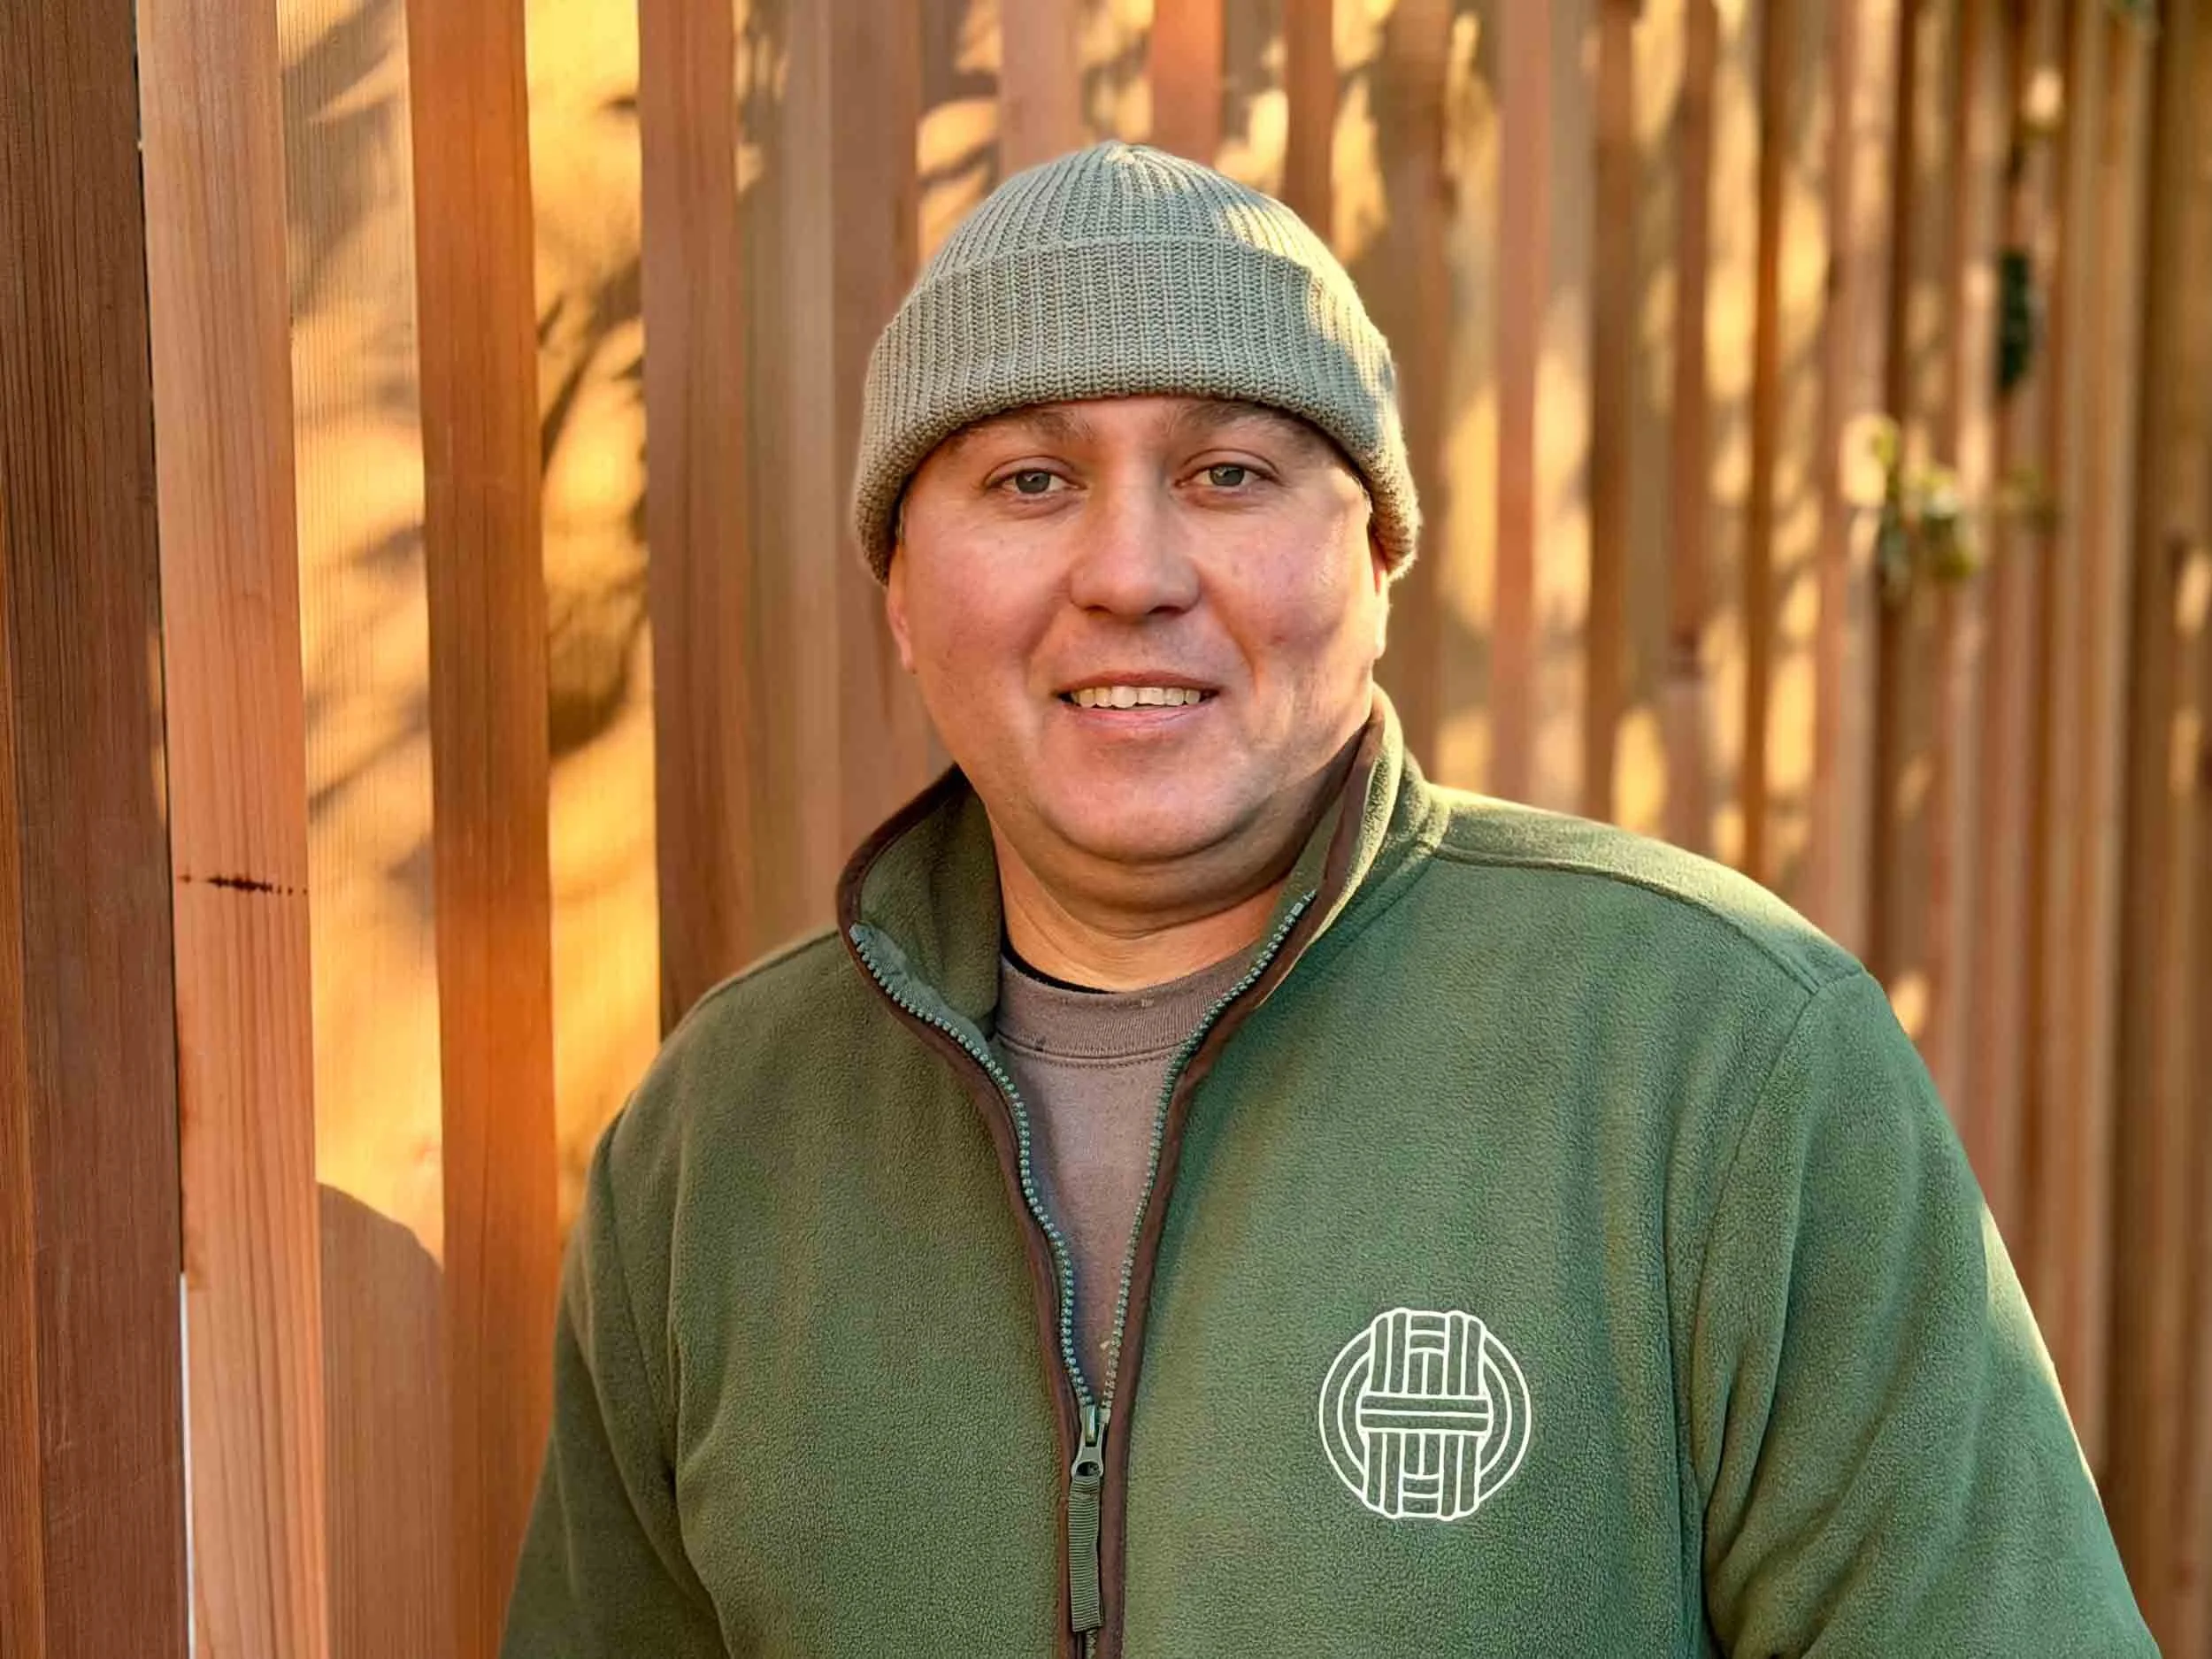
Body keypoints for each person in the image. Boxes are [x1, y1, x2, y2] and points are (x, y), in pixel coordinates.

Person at [499, 142, 2151, 1657]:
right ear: (903, 596)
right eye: (1028, 481)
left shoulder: (1722, 1062)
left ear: (1374, 567)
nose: (1132, 571)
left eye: (1229, 474)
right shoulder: (719, 1141)